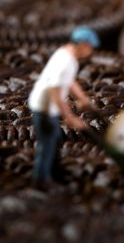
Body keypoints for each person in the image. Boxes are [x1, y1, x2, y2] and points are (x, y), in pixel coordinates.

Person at [28, 26, 100, 187]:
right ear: (83, 45)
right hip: (44, 108)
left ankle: (54, 172)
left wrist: (83, 98)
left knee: (54, 140)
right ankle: (41, 180)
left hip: (47, 107)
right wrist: (70, 117)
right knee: (47, 144)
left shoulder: (65, 53)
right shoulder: (66, 61)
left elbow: (69, 81)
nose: (91, 51)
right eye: (91, 47)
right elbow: (55, 90)